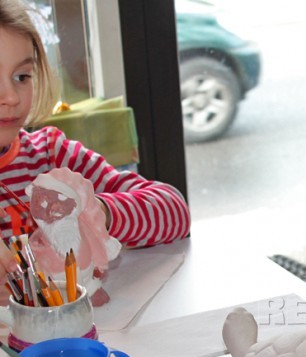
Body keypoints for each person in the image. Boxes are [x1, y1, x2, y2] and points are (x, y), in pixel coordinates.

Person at [0, 0, 190, 277]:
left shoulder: (52, 155)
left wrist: (97, 211)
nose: (11, 97)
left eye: (21, 77)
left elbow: (174, 211)